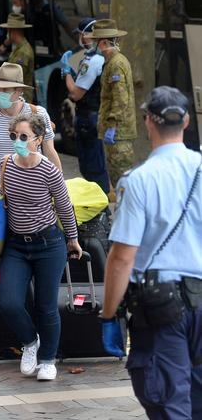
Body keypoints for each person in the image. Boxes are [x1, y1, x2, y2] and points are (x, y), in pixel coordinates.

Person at [100, 86, 202, 419]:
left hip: (160, 306)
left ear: (148, 122)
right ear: (185, 121)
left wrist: (109, 314)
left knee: (169, 400)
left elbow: (122, 256)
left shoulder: (138, 180)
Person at [0, 113, 82, 382]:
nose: (18, 142)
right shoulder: (6, 165)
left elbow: (64, 206)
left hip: (49, 244)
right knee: (8, 303)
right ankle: (29, 341)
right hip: (16, 246)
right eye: (14, 137)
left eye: (24, 137)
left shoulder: (49, 170)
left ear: (38, 139)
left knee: (46, 306)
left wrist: (73, 238)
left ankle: (48, 359)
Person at [0, 63, 61, 216]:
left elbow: (50, 153)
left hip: (35, 196)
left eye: (5, 90)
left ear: (19, 91)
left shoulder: (38, 114)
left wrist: (60, 194)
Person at [62, 18, 110, 194]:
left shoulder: (93, 61)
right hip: (92, 115)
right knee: (92, 164)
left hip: (88, 118)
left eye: (80, 34)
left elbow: (75, 93)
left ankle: (101, 208)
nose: (79, 38)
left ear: (86, 35)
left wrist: (66, 71)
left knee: (92, 167)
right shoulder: (93, 57)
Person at [89, 19, 137, 189]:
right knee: (119, 180)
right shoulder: (113, 62)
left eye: (96, 42)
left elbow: (120, 99)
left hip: (118, 134)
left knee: (122, 181)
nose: (94, 45)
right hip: (117, 133)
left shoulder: (116, 64)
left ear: (103, 43)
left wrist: (112, 126)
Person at [0, 13, 35, 100]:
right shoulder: (18, 48)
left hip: (21, 98)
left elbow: (14, 76)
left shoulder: (23, 52)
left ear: (12, 30)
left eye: (8, 30)